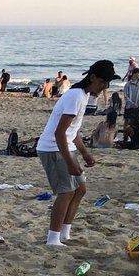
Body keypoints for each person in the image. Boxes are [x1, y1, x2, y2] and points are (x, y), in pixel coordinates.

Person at [34, 59, 117, 246]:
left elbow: (74, 131)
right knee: (66, 192)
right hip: (52, 148)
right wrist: (70, 162)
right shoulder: (75, 96)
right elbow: (59, 133)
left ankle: (65, 233)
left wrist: (85, 153)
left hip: (66, 145)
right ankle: (53, 238)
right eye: (103, 82)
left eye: (107, 84)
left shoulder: (84, 95)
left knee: (80, 189)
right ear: (93, 77)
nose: (105, 87)